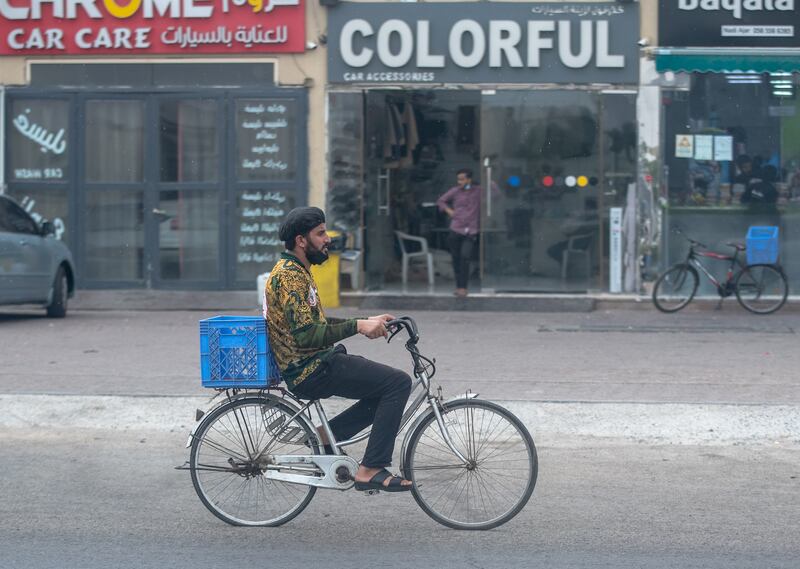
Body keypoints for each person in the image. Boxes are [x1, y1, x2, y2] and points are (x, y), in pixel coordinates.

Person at [264, 206, 413, 492]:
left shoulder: (297, 272)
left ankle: (325, 437)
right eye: (320, 234)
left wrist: (364, 321)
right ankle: (371, 470)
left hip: (317, 363)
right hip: (310, 369)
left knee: (382, 390)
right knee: (397, 383)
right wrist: (358, 326)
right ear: (301, 240)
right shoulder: (289, 277)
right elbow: (308, 336)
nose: (327, 239)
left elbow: (315, 323)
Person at [436, 168, 481, 297]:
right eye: (458, 179)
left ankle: (463, 287)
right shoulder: (455, 191)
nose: (459, 181)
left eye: (462, 179)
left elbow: (495, 193)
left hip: (471, 231)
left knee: (465, 257)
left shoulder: (477, 191)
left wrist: (489, 176)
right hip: (456, 229)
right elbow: (441, 201)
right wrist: (449, 211)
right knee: (456, 259)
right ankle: (459, 286)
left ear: (469, 179)